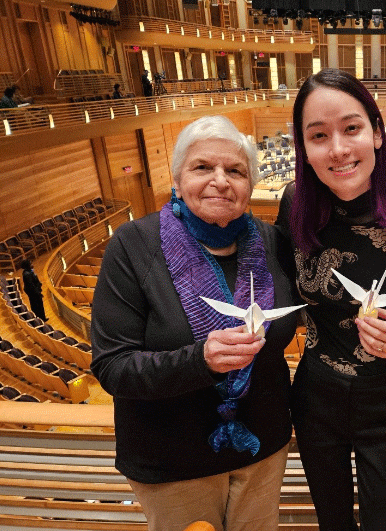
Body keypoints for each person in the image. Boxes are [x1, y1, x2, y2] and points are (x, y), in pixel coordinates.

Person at [90, 115, 298, 531]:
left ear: (250, 185)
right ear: (177, 177)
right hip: (173, 459)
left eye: (235, 170)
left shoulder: (273, 241)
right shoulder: (132, 246)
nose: (220, 181)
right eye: (203, 167)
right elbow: (112, 366)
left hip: (263, 449)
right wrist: (198, 361)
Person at [276, 68, 386, 531]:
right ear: (304, 148)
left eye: (351, 128)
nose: (337, 149)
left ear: (376, 133)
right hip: (314, 397)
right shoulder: (293, 204)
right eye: (318, 135)